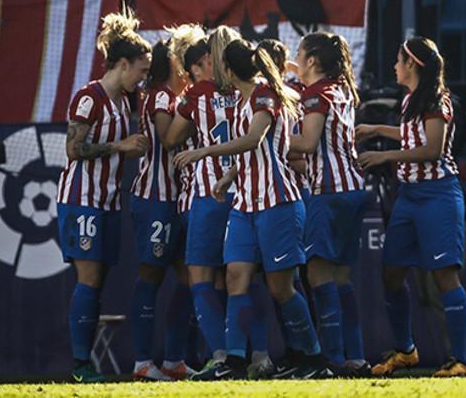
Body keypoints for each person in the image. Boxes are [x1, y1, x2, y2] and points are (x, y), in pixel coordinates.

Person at [174, 39, 328, 380]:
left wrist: (202, 152)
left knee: (281, 288)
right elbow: (250, 153)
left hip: (277, 202)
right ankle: (233, 361)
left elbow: (254, 139)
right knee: (234, 277)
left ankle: (314, 359)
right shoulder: (247, 98)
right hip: (245, 204)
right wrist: (228, 176)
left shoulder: (263, 94)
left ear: (229, 70)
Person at [355, 37, 466, 378]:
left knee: (444, 276)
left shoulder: (438, 100)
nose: (394, 65)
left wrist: (384, 154)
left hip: (438, 194)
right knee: (391, 273)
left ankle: (460, 360)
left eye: (399, 60)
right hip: (409, 196)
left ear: (413, 66)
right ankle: (406, 350)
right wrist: (377, 128)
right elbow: (412, 135)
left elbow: (432, 149)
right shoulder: (410, 99)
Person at [58, 8, 153, 383]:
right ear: (123, 65)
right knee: (90, 276)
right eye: (141, 70)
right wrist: (120, 145)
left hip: (109, 200)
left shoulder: (126, 100)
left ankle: (85, 363)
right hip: (83, 198)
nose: (143, 78)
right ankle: (81, 365)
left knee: (97, 278)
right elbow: (73, 150)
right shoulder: (88, 97)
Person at [127, 25, 207, 381]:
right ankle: (143, 361)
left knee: (189, 277)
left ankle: (174, 359)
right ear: (177, 63)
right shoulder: (161, 96)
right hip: (155, 198)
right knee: (150, 276)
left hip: (180, 199)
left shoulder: (182, 97)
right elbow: (167, 138)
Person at [287, 32, 370, 376]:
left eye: (300, 55)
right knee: (340, 276)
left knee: (318, 273)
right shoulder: (341, 89)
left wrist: (266, 133)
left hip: (328, 191)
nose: (296, 59)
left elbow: (306, 143)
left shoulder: (315, 95)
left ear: (312, 61)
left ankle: (333, 359)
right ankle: (356, 355)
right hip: (352, 188)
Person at [163, 27, 242, 376]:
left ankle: (221, 355)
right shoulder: (247, 90)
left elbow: (171, 139)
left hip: (209, 193)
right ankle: (256, 356)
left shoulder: (197, 94)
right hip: (246, 193)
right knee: (241, 279)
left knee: (200, 276)